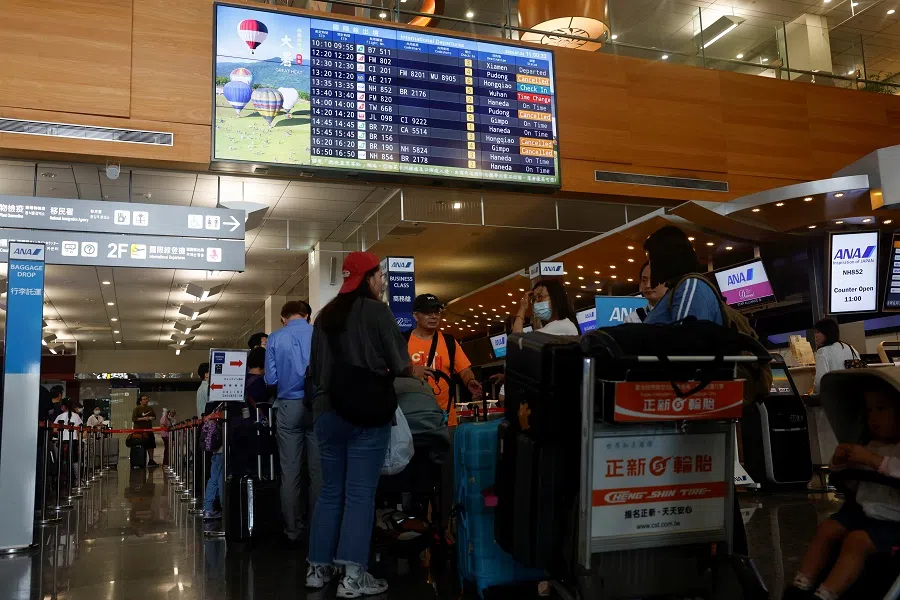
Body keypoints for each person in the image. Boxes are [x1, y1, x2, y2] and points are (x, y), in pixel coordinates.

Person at [306, 251, 423, 597]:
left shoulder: (324, 317)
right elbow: (401, 363)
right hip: (366, 412)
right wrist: (417, 372)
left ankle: (317, 568)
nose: (382, 283)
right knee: (359, 495)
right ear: (369, 278)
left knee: (330, 492)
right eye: (379, 276)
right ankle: (353, 578)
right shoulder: (377, 311)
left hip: (326, 412)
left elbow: (315, 371)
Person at [783, 382, 900, 600]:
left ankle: (826, 593)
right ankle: (800, 586)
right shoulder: (872, 445)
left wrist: (872, 461)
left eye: (881, 409)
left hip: (893, 519)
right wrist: (840, 463)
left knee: (857, 541)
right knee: (827, 528)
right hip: (864, 511)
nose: (873, 417)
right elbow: (857, 483)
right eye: (869, 411)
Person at [265, 300, 319, 544]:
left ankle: (292, 529)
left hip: (287, 406)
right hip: (318, 406)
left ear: (283, 317)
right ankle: (319, 528)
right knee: (319, 472)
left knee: (290, 471)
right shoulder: (320, 334)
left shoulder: (275, 338)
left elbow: (270, 378)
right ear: (307, 315)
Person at [407, 293, 482, 427]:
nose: (433, 316)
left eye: (436, 312)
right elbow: (390, 372)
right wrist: (411, 371)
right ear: (415, 315)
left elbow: (464, 370)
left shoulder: (449, 342)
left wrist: (469, 381)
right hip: (412, 417)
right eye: (427, 313)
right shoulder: (403, 341)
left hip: (445, 418)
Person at [642, 226, 723, 325]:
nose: (650, 264)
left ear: (664, 258)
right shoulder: (680, 289)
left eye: (651, 258)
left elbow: (686, 336)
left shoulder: (689, 286)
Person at [512, 279, 580, 335]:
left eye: (540, 297)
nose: (535, 303)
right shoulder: (560, 325)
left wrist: (522, 308)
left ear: (555, 298)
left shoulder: (561, 326)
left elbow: (516, 342)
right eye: (534, 299)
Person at [813, 318, 858, 394]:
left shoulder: (822, 351)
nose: (815, 336)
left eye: (818, 332)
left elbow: (820, 381)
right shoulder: (850, 347)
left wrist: (814, 394)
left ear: (827, 333)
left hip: (835, 397)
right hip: (855, 393)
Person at [54, 398, 82, 487]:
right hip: (73, 441)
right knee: (74, 461)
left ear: (63, 406)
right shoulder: (76, 416)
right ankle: (77, 480)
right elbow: (79, 429)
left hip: (63, 441)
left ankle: (61, 480)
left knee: (62, 461)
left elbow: (55, 429)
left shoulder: (60, 416)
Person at [132, 395, 158, 467]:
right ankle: (139, 460)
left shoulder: (150, 408)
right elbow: (134, 419)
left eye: (146, 399)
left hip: (149, 430)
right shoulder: (136, 409)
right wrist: (143, 419)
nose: (146, 400)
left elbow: (154, 417)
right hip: (139, 431)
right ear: (140, 401)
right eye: (144, 399)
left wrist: (150, 418)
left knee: (151, 446)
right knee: (141, 446)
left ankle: (151, 460)